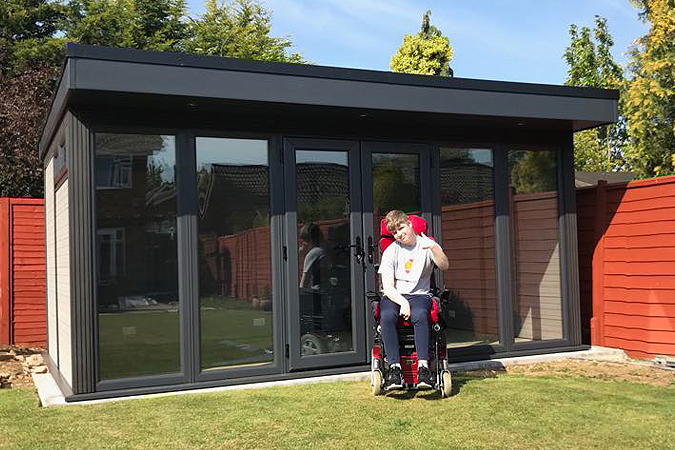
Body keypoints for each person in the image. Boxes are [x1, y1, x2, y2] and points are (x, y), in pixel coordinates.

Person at [377, 210, 449, 389]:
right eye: (394, 232)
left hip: (420, 295)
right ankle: (394, 369)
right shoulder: (391, 251)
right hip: (395, 295)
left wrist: (433, 247)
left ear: (409, 224)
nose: (399, 234)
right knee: (386, 315)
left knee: (421, 314)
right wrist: (403, 302)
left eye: (401, 228)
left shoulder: (427, 245)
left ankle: (423, 368)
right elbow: (388, 287)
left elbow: (444, 265)